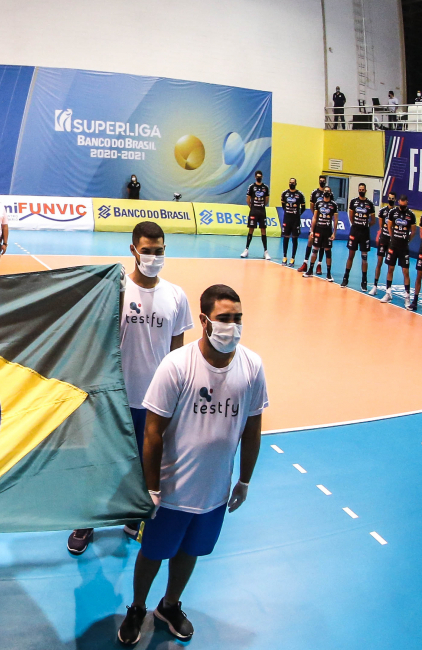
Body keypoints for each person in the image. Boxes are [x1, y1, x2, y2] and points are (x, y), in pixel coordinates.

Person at [116, 284, 267, 645]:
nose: (232, 326)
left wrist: (244, 480)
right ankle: (137, 607)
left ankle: (168, 606)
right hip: (170, 491)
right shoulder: (177, 365)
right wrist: (151, 487)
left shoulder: (252, 366)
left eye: (238, 319)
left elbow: (253, 426)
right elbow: (153, 433)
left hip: (214, 491)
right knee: (153, 553)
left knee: (191, 551)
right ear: (204, 320)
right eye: (224, 319)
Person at [68, 221, 192, 556]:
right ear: (133, 251)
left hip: (154, 403)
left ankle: (131, 517)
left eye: (159, 251)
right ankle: (86, 520)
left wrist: (177, 400)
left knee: (143, 466)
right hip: (114, 399)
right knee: (99, 462)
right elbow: (96, 341)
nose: (154, 257)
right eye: (147, 251)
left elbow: (178, 354)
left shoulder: (176, 296)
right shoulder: (117, 291)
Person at [379, 195, 415, 307]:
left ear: (407, 203)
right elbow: (389, 226)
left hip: (404, 247)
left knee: (406, 272)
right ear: (399, 202)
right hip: (393, 245)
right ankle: (388, 293)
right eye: (401, 203)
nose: (402, 205)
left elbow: (413, 231)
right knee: (390, 268)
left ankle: (407, 296)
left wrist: (407, 240)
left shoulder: (411, 215)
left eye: (404, 204)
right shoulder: (393, 212)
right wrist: (392, 237)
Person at [341, 183, 375, 290]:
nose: (361, 190)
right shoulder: (353, 202)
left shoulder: (369, 204)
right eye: (360, 189)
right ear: (358, 190)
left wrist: (365, 225)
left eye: (363, 189)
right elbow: (351, 216)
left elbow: (373, 220)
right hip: (354, 232)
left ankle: (364, 281)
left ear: (365, 190)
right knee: (351, 255)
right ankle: (345, 278)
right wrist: (356, 225)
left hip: (364, 233)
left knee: (364, 257)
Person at [302, 188, 339, 281]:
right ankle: (310, 270)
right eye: (325, 191)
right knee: (315, 250)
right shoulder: (318, 204)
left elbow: (335, 220)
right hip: (318, 229)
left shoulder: (334, 205)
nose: (326, 192)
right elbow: (315, 217)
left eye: (328, 191)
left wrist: (334, 233)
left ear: (330, 193)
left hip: (327, 230)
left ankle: (329, 274)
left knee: (328, 251)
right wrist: (312, 230)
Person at [298, 176, 329, 274]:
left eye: (324, 181)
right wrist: (316, 216)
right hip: (317, 221)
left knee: (322, 244)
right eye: (321, 180)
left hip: (325, 223)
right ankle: (305, 263)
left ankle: (319, 265)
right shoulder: (314, 193)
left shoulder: (329, 193)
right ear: (318, 181)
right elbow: (312, 206)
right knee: (310, 240)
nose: (322, 182)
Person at [369, 192, 398, 295]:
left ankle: (388, 290)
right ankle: (375, 286)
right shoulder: (382, 211)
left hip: (392, 242)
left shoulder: (396, 213)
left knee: (391, 266)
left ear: (395, 200)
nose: (391, 199)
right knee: (379, 262)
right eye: (389, 198)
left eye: (393, 198)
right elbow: (381, 226)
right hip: (383, 239)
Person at [240, 171, 270, 260]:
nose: (259, 178)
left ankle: (266, 252)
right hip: (253, 212)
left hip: (262, 212)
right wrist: (253, 207)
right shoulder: (251, 187)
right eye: (257, 176)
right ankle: (246, 249)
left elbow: (266, 200)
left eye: (260, 176)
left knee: (263, 230)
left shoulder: (265, 188)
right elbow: (248, 200)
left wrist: (261, 206)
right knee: (251, 230)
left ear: (262, 177)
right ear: (255, 177)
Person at [279, 178, 305, 267]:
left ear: (296, 183)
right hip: (287, 218)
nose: (291, 184)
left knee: (294, 238)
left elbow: (303, 207)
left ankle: (293, 258)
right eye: (290, 182)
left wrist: (298, 214)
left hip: (295, 219)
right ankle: (284, 256)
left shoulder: (299, 194)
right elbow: (283, 205)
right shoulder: (284, 193)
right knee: (286, 237)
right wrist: (288, 211)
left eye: (293, 183)